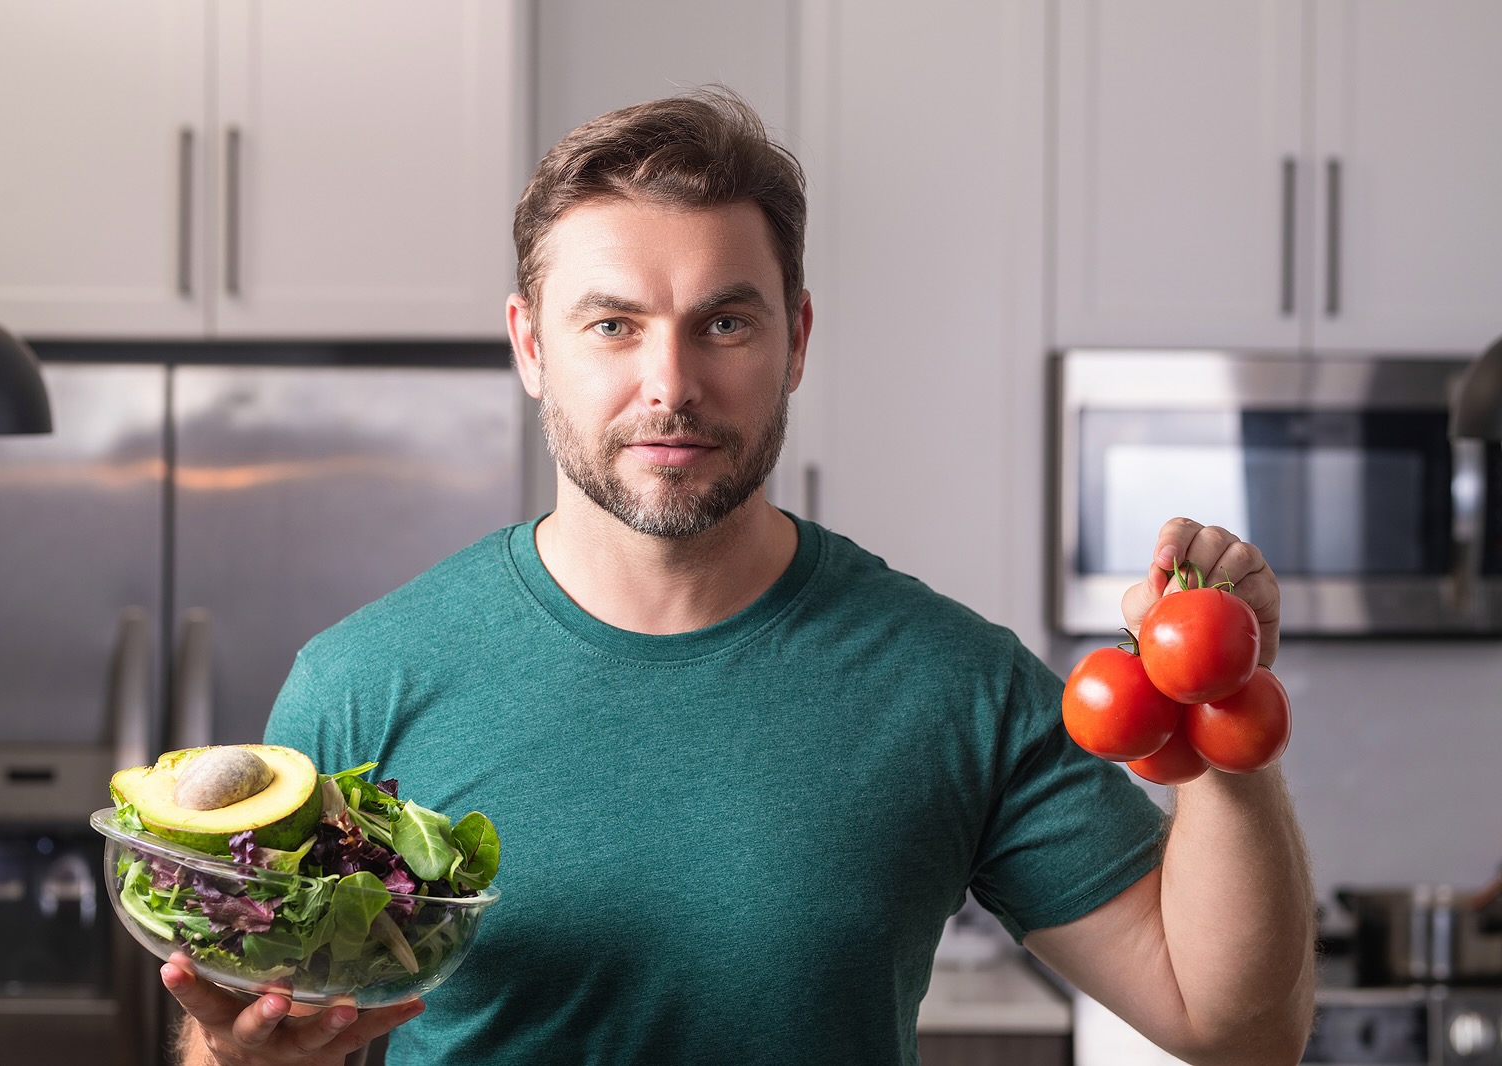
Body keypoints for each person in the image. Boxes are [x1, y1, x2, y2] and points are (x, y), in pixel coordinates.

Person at [163, 88, 1316, 1066]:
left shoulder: (952, 682)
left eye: (723, 321)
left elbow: (1232, 1026)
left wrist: (1220, 712)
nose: (670, 383)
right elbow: (255, 1023)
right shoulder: (365, 683)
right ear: (530, 346)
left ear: (796, 338)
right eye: (612, 324)